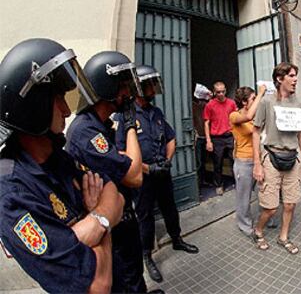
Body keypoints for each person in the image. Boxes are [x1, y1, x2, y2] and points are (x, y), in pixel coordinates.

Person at [0, 38, 124, 293]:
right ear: (33, 106)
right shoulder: (12, 193)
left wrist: (89, 227)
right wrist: (100, 218)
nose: (67, 111)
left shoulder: (58, 158)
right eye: (58, 98)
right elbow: (98, 285)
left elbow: (114, 193)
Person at [65, 52, 163, 294]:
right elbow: (134, 176)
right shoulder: (86, 131)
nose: (128, 93)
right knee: (125, 281)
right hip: (111, 225)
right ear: (106, 87)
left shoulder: (100, 125)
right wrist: (131, 126)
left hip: (123, 216)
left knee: (134, 273)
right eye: (123, 86)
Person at [115, 65, 199, 283]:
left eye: (154, 84)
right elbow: (120, 151)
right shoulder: (125, 115)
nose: (154, 89)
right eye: (150, 85)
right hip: (141, 177)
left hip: (161, 172)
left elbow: (170, 138)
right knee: (145, 217)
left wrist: (168, 161)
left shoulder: (156, 113)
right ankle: (147, 256)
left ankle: (177, 238)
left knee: (170, 208)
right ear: (139, 87)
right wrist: (146, 168)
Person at [252, 62, 301, 253]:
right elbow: (255, 132)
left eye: (296, 76)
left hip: (292, 158)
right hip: (271, 157)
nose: (295, 80)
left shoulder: (298, 104)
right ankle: (258, 231)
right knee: (270, 208)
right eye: (291, 76)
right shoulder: (267, 102)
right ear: (279, 79)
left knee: (290, 204)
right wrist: (257, 164)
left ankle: (283, 237)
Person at [229, 85, 266, 236]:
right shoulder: (234, 116)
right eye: (253, 98)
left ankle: (266, 218)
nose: (256, 100)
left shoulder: (257, 114)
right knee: (244, 198)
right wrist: (261, 93)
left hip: (260, 160)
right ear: (244, 102)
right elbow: (248, 116)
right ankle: (245, 225)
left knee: (264, 192)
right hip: (244, 162)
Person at [203, 81, 237, 195]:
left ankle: (238, 182)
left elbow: (236, 120)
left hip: (229, 136)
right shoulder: (210, 105)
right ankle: (218, 185)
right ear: (214, 92)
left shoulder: (231, 103)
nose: (221, 94)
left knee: (235, 160)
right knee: (217, 163)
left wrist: (237, 137)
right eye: (218, 92)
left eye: (223, 91)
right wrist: (208, 141)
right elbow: (206, 123)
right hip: (217, 139)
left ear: (226, 91)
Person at [192, 89, 211, 187]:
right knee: (199, 162)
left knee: (203, 161)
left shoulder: (203, 105)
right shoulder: (191, 106)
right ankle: (197, 184)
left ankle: (202, 181)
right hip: (198, 137)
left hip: (205, 136)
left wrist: (210, 96)